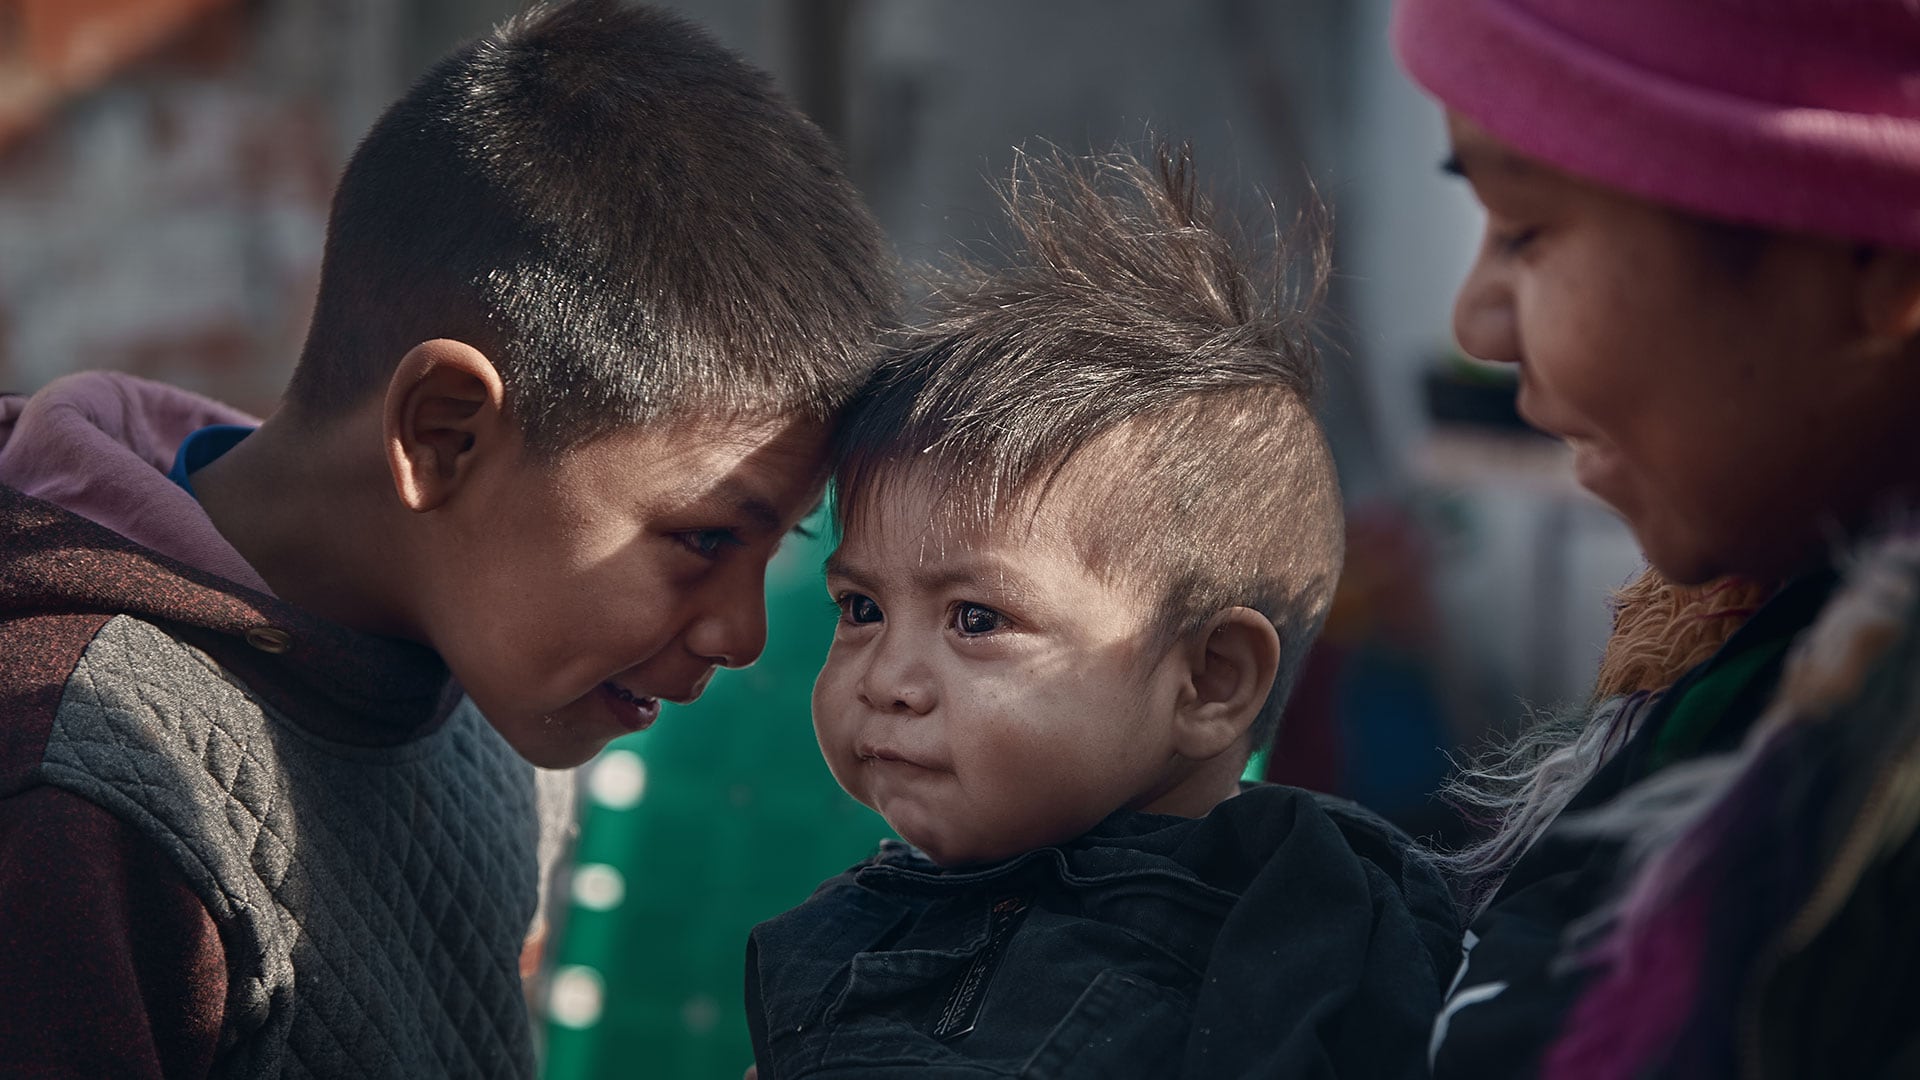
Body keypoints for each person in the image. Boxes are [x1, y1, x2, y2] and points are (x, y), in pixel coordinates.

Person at [0, 1, 894, 1075]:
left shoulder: (495, 673)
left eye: (780, 546)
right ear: (443, 434)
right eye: (705, 538)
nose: (743, 638)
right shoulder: (78, 785)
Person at [744, 145, 1458, 1079]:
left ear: (1209, 680)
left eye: (975, 620)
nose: (884, 681)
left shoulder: (1260, 971)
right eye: (862, 606)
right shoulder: (913, 914)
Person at [1391, 0, 1920, 1076]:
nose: (1476, 324)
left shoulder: (1863, 865)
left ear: (1873, 258)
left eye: (1525, 229)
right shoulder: (1751, 675)